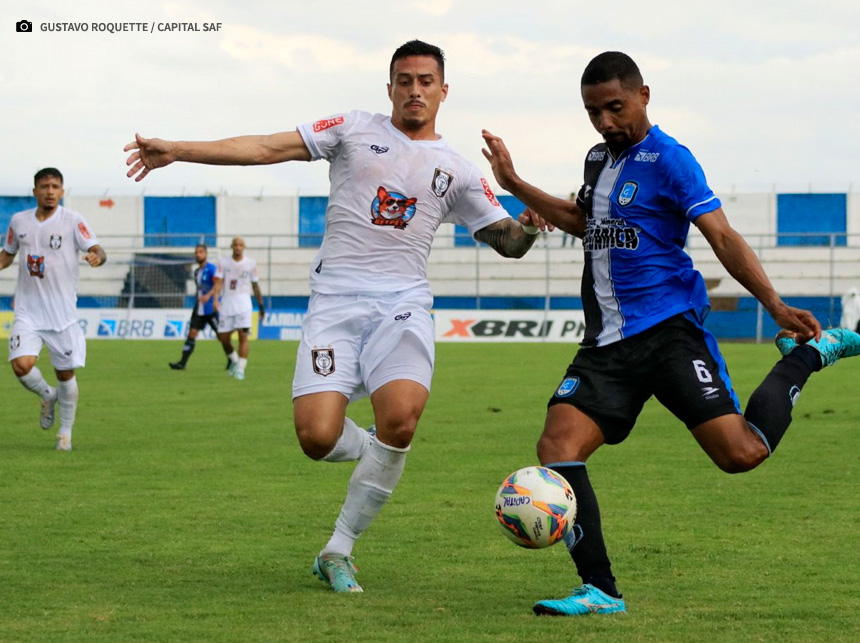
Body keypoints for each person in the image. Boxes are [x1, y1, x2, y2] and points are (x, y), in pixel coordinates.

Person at [125, 39, 549, 593]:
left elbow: (508, 242)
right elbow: (266, 147)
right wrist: (179, 149)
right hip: (336, 302)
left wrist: (533, 225)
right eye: (405, 79)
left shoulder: (459, 170)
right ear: (390, 86)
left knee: (401, 419)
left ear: (444, 91)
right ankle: (375, 451)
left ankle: (338, 549)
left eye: (426, 80)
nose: (414, 89)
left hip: (403, 304)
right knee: (316, 438)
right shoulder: (351, 128)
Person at [481, 51, 860, 616]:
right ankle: (601, 591)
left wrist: (774, 303)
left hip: (668, 332)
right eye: (593, 112)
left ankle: (808, 357)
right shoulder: (597, 159)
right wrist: (514, 184)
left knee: (741, 454)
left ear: (644, 95)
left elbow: (723, 237)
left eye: (615, 107)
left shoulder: (672, 159)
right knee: (557, 447)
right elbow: (585, 221)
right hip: (605, 344)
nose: (606, 122)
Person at [1, 168, 107, 451]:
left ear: (62, 191)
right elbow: (8, 255)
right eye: (44, 186)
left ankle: (65, 433)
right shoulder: (18, 221)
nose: (50, 191)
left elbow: (98, 248)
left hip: (62, 316)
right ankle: (47, 395)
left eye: (55, 186)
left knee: (66, 375)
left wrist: (97, 256)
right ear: (34, 190)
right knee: (21, 365)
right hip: (28, 311)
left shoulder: (73, 221)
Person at [211, 237, 265, 381]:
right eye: (235, 244)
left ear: (244, 247)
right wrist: (216, 299)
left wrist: (261, 305)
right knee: (223, 338)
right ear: (231, 246)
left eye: (240, 244)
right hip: (227, 303)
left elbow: (255, 285)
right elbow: (218, 283)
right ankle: (234, 360)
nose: (238, 247)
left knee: (243, 336)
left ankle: (241, 369)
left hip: (244, 304)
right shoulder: (223, 263)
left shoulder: (251, 264)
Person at [169, 243, 219, 370]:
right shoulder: (196, 272)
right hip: (199, 308)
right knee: (191, 333)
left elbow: (218, 285)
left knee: (221, 336)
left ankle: (233, 359)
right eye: (196, 252)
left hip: (210, 308)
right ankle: (182, 363)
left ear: (206, 254)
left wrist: (209, 296)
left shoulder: (212, 269)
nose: (198, 254)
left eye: (201, 252)